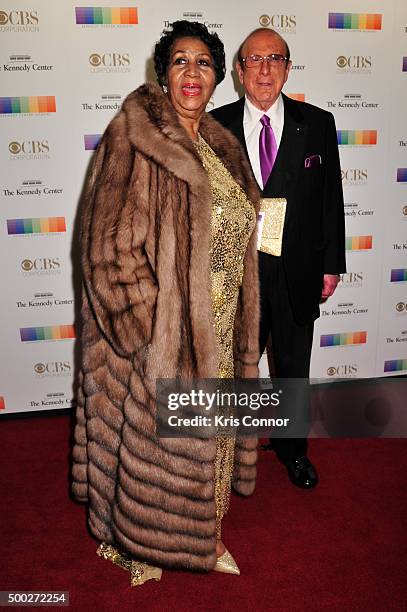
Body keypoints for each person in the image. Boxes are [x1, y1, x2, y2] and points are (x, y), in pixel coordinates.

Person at [71, 20, 260, 585]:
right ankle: (144, 543)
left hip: (221, 327)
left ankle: (205, 531)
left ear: (219, 76)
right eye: (180, 61)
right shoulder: (135, 135)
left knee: (211, 439)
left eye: (204, 63)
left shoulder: (222, 145)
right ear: (163, 71)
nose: (192, 73)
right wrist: (149, 328)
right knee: (159, 448)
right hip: (165, 337)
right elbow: (104, 245)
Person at [212, 28, 346, 488]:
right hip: (237, 275)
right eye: (254, 60)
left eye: (275, 59)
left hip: (297, 271)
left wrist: (332, 264)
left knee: (293, 367)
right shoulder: (214, 126)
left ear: (288, 68)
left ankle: (292, 450)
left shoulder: (319, 123)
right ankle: (233, 452)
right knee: (234, 368)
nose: (265, 69)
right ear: (239, 71)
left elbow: (331, 199)